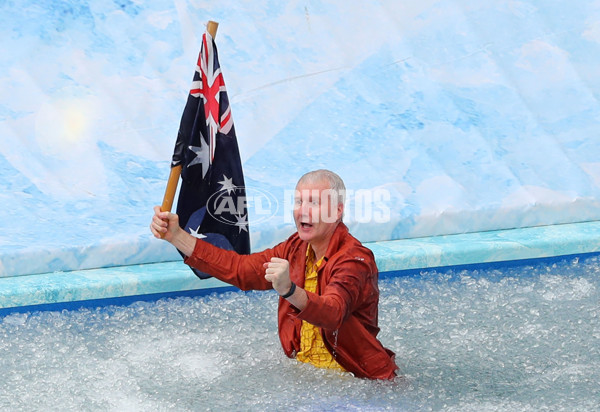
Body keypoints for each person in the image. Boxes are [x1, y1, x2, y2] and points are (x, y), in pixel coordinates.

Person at [150, 169, 398, 380]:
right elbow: (240, 270)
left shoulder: (355, 259)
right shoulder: (294, 248)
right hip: (309, 378)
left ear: (337, 211)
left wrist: (290, 290)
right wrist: (177, 236)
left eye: (314, 203)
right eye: (299, 201)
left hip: (361, 383)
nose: (303, 211)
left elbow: (333, 313)